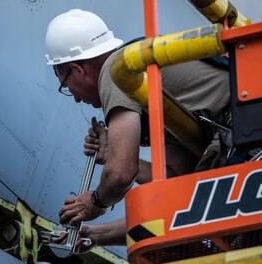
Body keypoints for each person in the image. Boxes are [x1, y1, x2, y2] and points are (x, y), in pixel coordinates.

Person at [45, 9, 230, 229]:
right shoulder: (151, 90)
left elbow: (121, 173)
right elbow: (175, 183)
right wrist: (97, 234)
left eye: (66, 87)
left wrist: (94, 202)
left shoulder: (118, 70)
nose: (75, 98)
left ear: (77, 69)